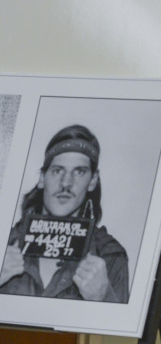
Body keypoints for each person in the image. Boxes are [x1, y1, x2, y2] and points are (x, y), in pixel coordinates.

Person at [0, 124, 129, 303]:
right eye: (57, 170)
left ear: (92, 181)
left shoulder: (109, 256)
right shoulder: (4, 242)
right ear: (42, 178)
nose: (66, 183)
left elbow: (116, 330)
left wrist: (103, 297)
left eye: (79, 171)